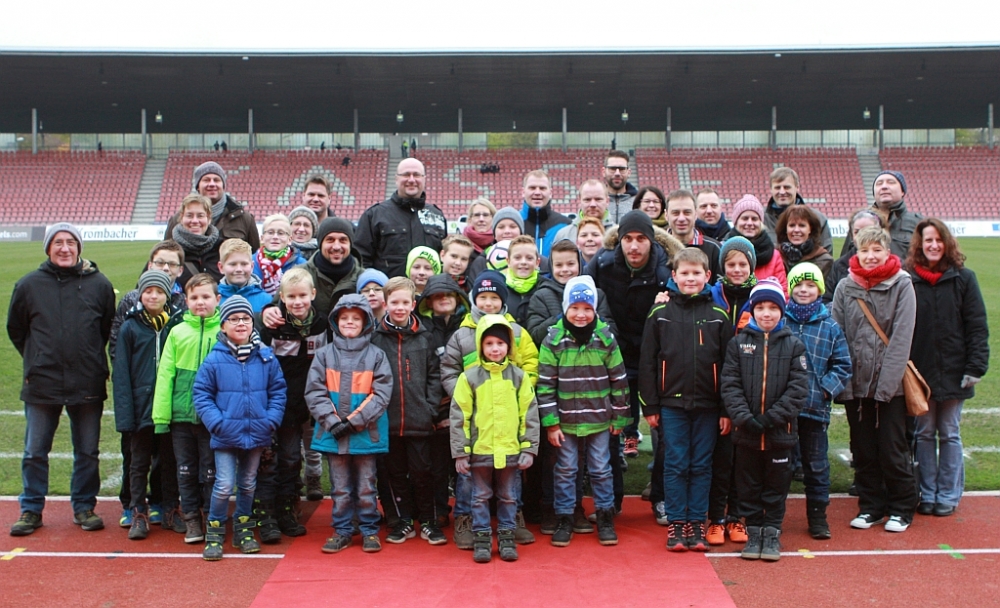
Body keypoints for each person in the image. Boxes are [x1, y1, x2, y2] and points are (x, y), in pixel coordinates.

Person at [8, 224, 115, 537]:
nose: (65, 248)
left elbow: (106, 329)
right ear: (48, 248)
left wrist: (88, 358)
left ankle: (84, 507)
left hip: (87, 381)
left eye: (70, 242)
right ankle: (31, 509)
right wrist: (37, 358)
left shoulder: (99, 284)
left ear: (79, 247)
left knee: (87, 451)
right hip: (43, 382)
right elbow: (16, 329)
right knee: (35, 451)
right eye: (58, 242)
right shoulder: (28, 284)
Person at [639, 248, 732, 552]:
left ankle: (697, 523)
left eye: (696, 273)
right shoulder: (659, 314)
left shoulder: (718, 316)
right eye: (684, 273)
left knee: (702, 465)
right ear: (674, 276)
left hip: (708, 406)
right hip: (672, 405)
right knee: (676, 464)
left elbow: (728, 367)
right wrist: (650, 405)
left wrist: (725, 409)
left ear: (707, 276)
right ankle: (677, 523)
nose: (690, 278)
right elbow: (648, 362)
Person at [586, 210, 680, 511]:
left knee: (664, 430)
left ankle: (661, 496)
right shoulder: (602, 264)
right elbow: (584, 299)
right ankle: (611, 500)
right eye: (628, 239)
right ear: (619, 241)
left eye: (641, 239)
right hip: (615, 357)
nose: (634, 246)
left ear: (651, 241)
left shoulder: (666, 271)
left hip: (655, 359)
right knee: (611, 430)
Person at [441, 271, 539, 548]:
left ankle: (514, 519)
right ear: (474, 299)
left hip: (508, 420)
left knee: (512, 477)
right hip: (477, 422)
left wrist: (519, 390)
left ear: (503, 301)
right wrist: (466, 394)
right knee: (469, 479)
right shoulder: (462, 334)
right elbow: (448, 369)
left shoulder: (517, 332)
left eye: (494, 298)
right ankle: (465, 519)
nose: (488, 303)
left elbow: (531, 363)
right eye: (482, 297)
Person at [831, 225, 918, 533]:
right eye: (864, 250)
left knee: (892, 449)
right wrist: (845, 383)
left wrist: (886, 387)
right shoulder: (845, 286)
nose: (870, 256)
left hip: (890, 388)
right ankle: (870, 506)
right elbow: (838, 335)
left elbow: (901, 339)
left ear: (887, 252)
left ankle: (902, 507)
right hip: (856, 385)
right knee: (863, 449)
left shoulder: (902, 284)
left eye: (876, 250)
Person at [905, 219, 989, 518]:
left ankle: (949, 495)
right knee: (925, 433)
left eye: (938, 240)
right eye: (928, 240)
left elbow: (977, 326)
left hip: (955, 370)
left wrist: (975, 366)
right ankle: (927, 493)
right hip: (921, 372)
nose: (933, 245)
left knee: (950, 432)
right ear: (920, 244)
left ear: (947, 243)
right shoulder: (909, 280)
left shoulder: (964, 279)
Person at [721, 278, 809, 562]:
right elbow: (730, 384)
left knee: (776, 486)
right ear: (753, 310)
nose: (766, 313)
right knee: (748, 486)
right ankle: (754, 531)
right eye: (760, 308)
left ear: (782, 311)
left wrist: (772, 418)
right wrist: (744, 418)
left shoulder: (794, 346)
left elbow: (798, 389)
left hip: (779, 433)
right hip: (747, 432)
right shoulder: (738, 344)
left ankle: (772, 532)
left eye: (773, 308)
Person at [538, 276, 629, 548]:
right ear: (565, 308)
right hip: (565, 421)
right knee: (566, 469)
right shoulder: (553, 340)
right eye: (575, 308)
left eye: (587, 308)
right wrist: (551, 423)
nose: (581, 314)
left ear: (595, 310)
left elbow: (619, 380)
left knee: (600, 468)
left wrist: (620, 415)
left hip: (599, 418)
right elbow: (545, 385)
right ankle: (564, 517)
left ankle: (605, 515)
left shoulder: (605, 338)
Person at [194, 296, 287, 560]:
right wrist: (217, 422)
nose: (241, 323)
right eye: (234, 319)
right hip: (226, 434)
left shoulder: (266, 357)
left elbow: (278, 391)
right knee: (224, 484)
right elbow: (202, 394)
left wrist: (270, 420)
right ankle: (215, 530)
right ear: (223, 326)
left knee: (247, 483)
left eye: (246, 318)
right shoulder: (214, 360)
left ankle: (243, 528)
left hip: (257, 432)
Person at [109, 240, 189, 531]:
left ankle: (167, 505)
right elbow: (120, 367)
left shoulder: (178, 321)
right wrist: (125, 413)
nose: (153, 296)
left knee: (168, 459)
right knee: (137, 459)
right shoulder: (130, 324)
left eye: (160, 291)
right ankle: (135, 509)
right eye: (148, 291)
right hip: (140, 404)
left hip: (167, 405)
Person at [306, 295, 393, 554]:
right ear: (336, 321)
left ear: (366, 322)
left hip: (366, 434)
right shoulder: (324, 354)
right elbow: (315, 392)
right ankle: (342, 530)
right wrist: (332, 422)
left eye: (356, 318)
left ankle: (369, 529)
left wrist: (354, 422)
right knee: (340, 487)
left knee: (366, 486)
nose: (350, 322)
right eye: (344, 318)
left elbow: (381, 394)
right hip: (333, 435)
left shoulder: (377, 355)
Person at [255, 268, 331, 540]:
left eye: (302, 295)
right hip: (273, 404)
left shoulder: (323, 325)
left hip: (304, 405)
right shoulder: (272, 325)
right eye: (291, 297)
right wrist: (266, 312)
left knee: (290, 459)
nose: (297, 302)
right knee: (269, 458)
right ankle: (266, 511)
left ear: (313, 294)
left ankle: (287, 507)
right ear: (282, 298)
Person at [371, 277, 446, 545]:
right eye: (394, 302)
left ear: (413, 304)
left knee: (423, 472)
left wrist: (429, 407)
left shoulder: (425, 337)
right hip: (388, 421)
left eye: (405, 302)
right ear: (385, 304)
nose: (400, 307)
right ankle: (403, 520)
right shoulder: (376, 339)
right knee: (394, 474)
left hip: (420, 420)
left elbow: (434, 375)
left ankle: (428, 520)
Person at [151, 273, 222, 544]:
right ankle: (191, 519)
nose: (200, 302)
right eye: (194, 297)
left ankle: (212, 517)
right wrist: (161, 416)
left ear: (217, 299)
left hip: (212, 419)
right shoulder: (178, 332)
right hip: (181, 418)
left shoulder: (224, 332)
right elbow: (165, 374)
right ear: (186, 300)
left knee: (210, 471)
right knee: (186, 471)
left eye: (206, 297)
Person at [783, 263, 852, 539]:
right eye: (798, 285)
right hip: (783, 410)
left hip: (815, 409)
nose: (804, 290)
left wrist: (825, 390)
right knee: (781, 464)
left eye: (810, 285)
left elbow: (842, 365)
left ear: (820, 289)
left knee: (817, 466)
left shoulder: (830, 326)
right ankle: (773, 515)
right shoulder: (780, 321)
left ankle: (818, 517)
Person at [417, 273, 472, 527]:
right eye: (437, 295)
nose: (443, 299)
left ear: (458, 298)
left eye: (449, 294)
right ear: (428, 301)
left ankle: (467, 511)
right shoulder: (423, 329)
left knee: (465, 463)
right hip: (435, 404)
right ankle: (439, 509)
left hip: (467, 404)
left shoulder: (468, 326)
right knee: (437, 465)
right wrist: (434, 409)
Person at [262, 217, 364, 326]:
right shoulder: (298, 273)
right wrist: (268, 312)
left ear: (350, 244)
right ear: (320, 243)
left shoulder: (363, 278)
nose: (336, 246)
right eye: (330, 240)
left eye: (343, 240)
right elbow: (276, 305)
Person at [355, 158, 447, 278]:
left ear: (424, 179)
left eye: (416, 175)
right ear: (396, 179)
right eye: (406, 174)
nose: (411, 180)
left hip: (429, 289)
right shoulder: (374, 215)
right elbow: (361, 260)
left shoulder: (437, 215)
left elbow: (445, 258)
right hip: (388, 289)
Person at [525, 239, 615, 347]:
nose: (565, 269)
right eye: (559, 265)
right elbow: (535, 336)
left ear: (579, 264)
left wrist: (593, 318)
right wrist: (563, 317)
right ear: (551, 267)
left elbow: (612, 332)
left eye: (570, 264)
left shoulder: (597, 294)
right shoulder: (541, 296)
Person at [164, 161, 259, 250]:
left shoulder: (244, 219)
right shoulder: (177, 220)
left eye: (216, 180)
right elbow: (166, 254)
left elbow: (255, 256)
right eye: (206, 180)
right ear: (198, 186)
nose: (212, 184)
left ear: (223, 186)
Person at [843, 171, 923, 260]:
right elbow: (844, 261)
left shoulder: (918, 222)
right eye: (879, 183)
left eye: (891, 182)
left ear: (902, 191)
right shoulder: (859, 221)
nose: (884, 186)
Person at [763, 167, 834, 255]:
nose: (782, 192)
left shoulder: (818, 219)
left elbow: (826, 255)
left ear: (797, 187)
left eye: (787, 187)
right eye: (777, 187)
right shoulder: (760, 219)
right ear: (771, 189)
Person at [727, 195, 786, 295]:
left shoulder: (774, 256)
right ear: (736, 222)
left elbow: (783, 292)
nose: (750, 223)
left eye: (754, 219)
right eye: (745, 218)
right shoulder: (724, 251)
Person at [827, 208, 888, 301]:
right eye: (857, 232)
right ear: (851, 235)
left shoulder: (895, 268)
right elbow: (827, 299)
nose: (862, 235)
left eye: (868, 230)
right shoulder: (839, 265)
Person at [664, 189, 721, 282]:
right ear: (666, 215)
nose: (681, 218)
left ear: (695, 214)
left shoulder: (714, 249)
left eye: (687, 212)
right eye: (675, 213)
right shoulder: (655, 247)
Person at [172, 194, 223, 286]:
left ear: (209, 218)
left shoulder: (223, 249)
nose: (195, 221)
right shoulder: (169, 251)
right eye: (189, 215)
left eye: (200, 216)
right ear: (181, 217)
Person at [519, 170, 570, 258]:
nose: (537, 192)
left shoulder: (565, 225)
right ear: (523, 192)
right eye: (532, 188)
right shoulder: (512, 223)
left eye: (542, 188)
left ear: (550, 193)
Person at [775, 205, 834, 280]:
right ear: (785, 229)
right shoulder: (775, 257)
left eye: (802, 225)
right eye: (792, 225)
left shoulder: (825, 261)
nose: (796, 230)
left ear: (810, 229)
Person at [254, 214, 307, 295]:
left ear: (289, 239)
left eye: (281, 233)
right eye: (270, 232)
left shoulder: (301, 265)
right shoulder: (251, 263)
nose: (275, 237)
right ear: (262, 238)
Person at [468, 206, 524, 278]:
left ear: (521, 232)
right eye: (501, 227)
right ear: (494, 234)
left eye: (513, 227)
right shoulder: (482, 261)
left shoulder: (532, 257)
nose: (507, 231)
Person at [217, 239, 271, 312]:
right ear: (221, 267)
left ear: (252, 266)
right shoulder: (213, 298)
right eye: (233, 264)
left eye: (244, 264)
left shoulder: (266, 301)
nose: (239, 269)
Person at [503, 235, 543, 325]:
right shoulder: (500, 288)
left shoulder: (544, 287)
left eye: (529, 258)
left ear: (537, 262)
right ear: (508, 261)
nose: (523, 262)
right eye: (517, 258)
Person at [603, 150, 637, 223]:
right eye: (612, 169)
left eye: (622, 169)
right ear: (603, 171)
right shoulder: (595, 202)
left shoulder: (639, 202)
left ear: (629, 172)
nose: (617, 173)